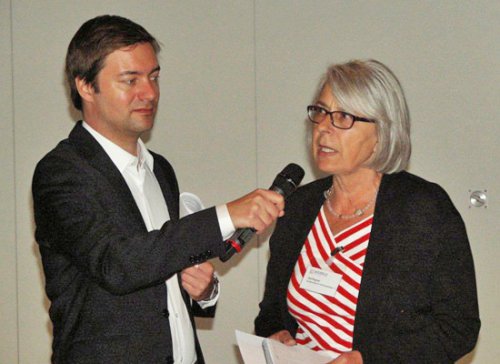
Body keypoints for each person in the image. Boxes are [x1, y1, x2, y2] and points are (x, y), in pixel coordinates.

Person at [32, 15, 284, 364]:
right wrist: (226, 215)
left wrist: (203, 290)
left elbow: (159, 272)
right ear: (85, 87)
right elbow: (117, 264)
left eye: (153, 77)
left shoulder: (160, 169)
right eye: (129, 80)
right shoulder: (62, 171)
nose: (149, 93)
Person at [254, 59, 480, 363]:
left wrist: (367, 359)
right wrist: (275, 335)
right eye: (320, 112)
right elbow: (271, 313)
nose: (322, 128)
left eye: (343, 117)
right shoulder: (299, 208)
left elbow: (458, 328)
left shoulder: (424, 210)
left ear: (382, 131)